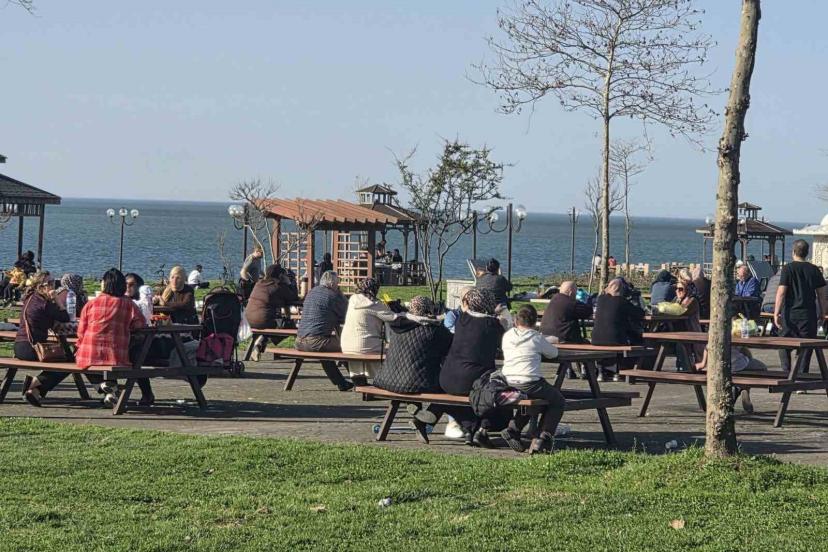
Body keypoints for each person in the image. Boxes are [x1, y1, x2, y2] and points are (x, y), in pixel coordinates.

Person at [412, 289, 505, 446]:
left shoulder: (462, 320)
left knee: (451, 397)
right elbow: (504, 338)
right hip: (472, 380)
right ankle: (480, 430)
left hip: (447, 377)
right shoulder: (493, 325)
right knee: (495, 390)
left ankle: (467, 429)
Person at [500, 305, 566, 454]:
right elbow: (553, 353)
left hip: (508, 380)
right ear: (535, 322)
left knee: (531, 400)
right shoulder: (536, 337)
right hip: (529, 381)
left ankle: (513, 429)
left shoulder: (508, 336)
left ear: (516, 321)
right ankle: (543, 437)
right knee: (558, 401)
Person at [374, 296, 452, 394]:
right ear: (429, 309)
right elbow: (447, 350)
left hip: (386, 380)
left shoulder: (397, 326)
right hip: (420, 384)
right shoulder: (434, 330)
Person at [16, 273, 71, 406]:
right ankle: (34, 383)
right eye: (50, 283)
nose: (53, 286)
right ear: (41, 287)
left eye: (54, 282)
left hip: (19, 346)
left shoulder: (30, 298)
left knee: (67, 358)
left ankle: (35, 392)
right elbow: (65, 317)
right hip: (32, 348)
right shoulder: (44, 304)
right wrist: (57, 299)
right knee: (69, 362)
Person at [295, 271, 352, 391]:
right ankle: (359, 380)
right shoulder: (333, 296)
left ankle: (341, 383)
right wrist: (340, 294)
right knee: (349, 347)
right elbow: (347, 314)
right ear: (332, 284)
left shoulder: (312, 292)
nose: (338, 286)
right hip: (315, 342)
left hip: (299, 341)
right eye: (337, 284)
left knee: (325, 352)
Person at [774, 239, 826, 371]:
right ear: (807, 253)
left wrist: (776, 313)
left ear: (793, 252)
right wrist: (823, 313)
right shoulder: (814, 270)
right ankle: (802, 376)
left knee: (784, 345)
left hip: (789, 314)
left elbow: (781, 292)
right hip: (808, 315)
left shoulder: (788, 269)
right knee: (806, 347)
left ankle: (786, 372)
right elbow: (821, 295)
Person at [340, 278, 398, 385]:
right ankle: (386, 382)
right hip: (366, 346)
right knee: (393, 352)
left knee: (359, 355)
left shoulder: (353, 299)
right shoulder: (374, 304)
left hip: (346, 345)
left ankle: (360, 384)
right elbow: (393, 317)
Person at [591, 278, 645, 378]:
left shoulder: (600, 300)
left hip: (595, 339)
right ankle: (619, 372)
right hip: (615, 339)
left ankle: (602, 371)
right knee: (633, 339)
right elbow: (639, 313)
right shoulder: (622, 301)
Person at [246, 263, 300, 360]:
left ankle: (261, 341)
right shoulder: (277, 287)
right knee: (290, 325)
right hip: (263, 320)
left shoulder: (259, 284)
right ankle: (261, 342)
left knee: (278, 322)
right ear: (280, 275)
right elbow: (293, 297)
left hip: (248, 320)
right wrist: (289, 282)